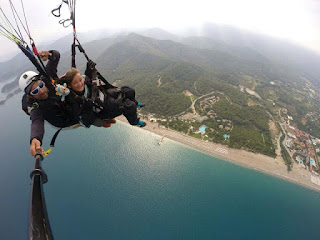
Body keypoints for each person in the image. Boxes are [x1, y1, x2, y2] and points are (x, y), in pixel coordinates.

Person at [20, 50, 114, 156]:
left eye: (40, 85)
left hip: (70, 103)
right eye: (35, 91)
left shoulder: (47, 77)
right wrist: (35, 139)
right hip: (67, 119)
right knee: (94, 117)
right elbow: (36, 121)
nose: (41, 91)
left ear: (42, 81)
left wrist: (49, 54)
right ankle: (101, 121)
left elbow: (56, 55)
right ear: (30, 95)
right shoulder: (36, 107)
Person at [63, 65, 146, 128]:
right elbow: (86, 122)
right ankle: (135, 122)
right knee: (129, 105)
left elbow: (89, 77)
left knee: (129, 90)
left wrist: (90, 69)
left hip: (106, 95)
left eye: (80, 80)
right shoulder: (74, 101)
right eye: (75, 83)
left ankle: (135, 103)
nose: (80, 83)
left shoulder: (84, 82)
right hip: (104, 110)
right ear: (70, 86)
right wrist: (89, 108)